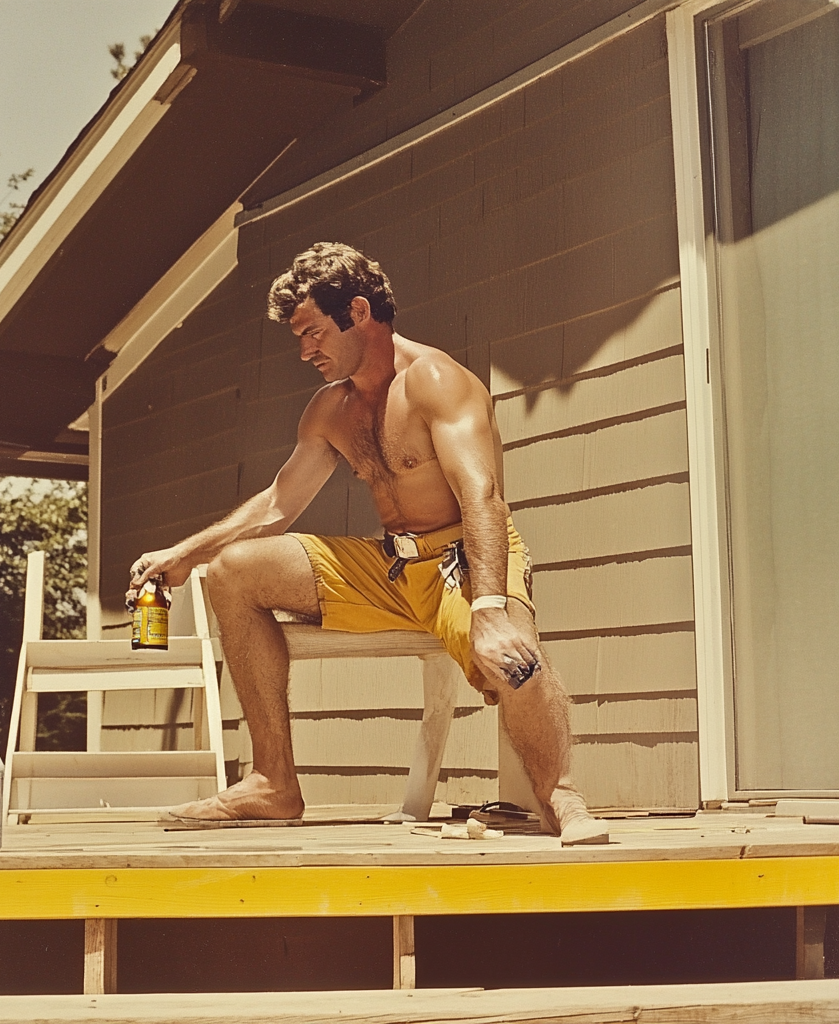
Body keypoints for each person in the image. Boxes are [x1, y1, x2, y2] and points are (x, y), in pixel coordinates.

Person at [128, 242, 607, 844]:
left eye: (313, 333)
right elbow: (279, 503)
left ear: (358, 311)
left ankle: (560, 798)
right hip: (388, 567)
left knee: (514, 659)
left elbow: (482, 497)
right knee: (233, 570)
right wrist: (185, 555)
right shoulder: (333, 408)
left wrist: (488, 609)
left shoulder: (435, 381)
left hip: (463, 560)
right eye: (299, 339)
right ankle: (273, 782)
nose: (306, 351)